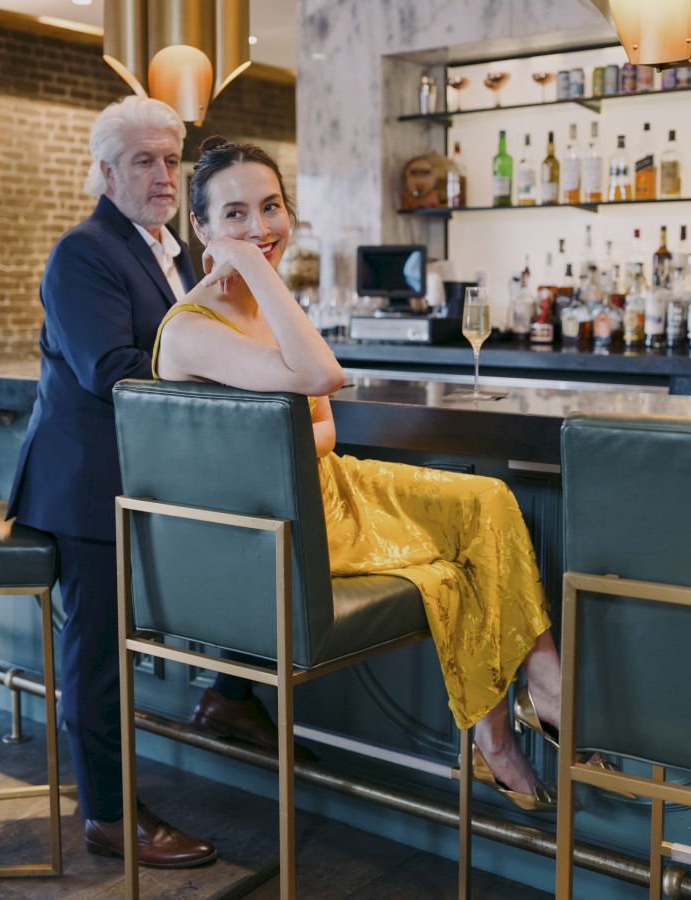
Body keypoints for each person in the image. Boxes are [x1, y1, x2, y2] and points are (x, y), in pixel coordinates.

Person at [152, 136, 565, 809]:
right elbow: (323, 377)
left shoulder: (267, 313)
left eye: (272, 207)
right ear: (198, 227)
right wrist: (257, 271)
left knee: (487, 499)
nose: (260, 228)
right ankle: (498, 731)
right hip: (285, 529)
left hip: (331, 486)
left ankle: (540, 682)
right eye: (235, 215)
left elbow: (325, 427)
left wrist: (263, 292)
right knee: (449, 569)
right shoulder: (194, 328)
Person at [7, 96, 222, 867]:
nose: (166, 176)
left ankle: (229, 698)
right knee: (97, 658)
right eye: (145, 161)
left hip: (152, 484)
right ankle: (105, 816)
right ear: (105, 172)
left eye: (173, 160)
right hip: (88, 489)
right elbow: (110, 372)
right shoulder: (84, 251)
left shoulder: (177, 252)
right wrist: (229, 369)